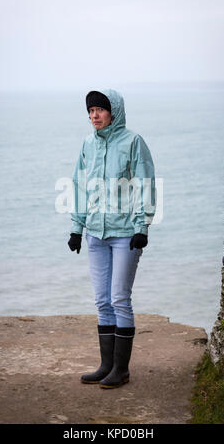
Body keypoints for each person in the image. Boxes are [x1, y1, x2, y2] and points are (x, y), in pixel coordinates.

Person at [68, 89, 156, 389]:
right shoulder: (87, 145)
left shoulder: (133, 142)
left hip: (125, 235)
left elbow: (145, 183)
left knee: (120, 298)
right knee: (102, 301)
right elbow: (79, 186)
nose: (94, 115)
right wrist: (76, 229)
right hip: (95, 233)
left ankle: (121, 369)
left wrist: (142, 227)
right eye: (91, 110)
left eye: (100, 110)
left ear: (113, 112)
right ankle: (106, 366)